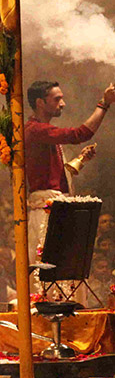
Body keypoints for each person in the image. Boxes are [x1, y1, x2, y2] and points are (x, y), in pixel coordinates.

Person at [23, 80, 115, 291]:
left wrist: (80, 160)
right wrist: (104, 104)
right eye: (57, 99)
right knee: (52, 281)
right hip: (47, 213)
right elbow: (79, 135)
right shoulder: (35, 130)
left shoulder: (41, 131)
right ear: (40, 102)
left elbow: (55, 175)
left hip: (56, 208)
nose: (63, 103)